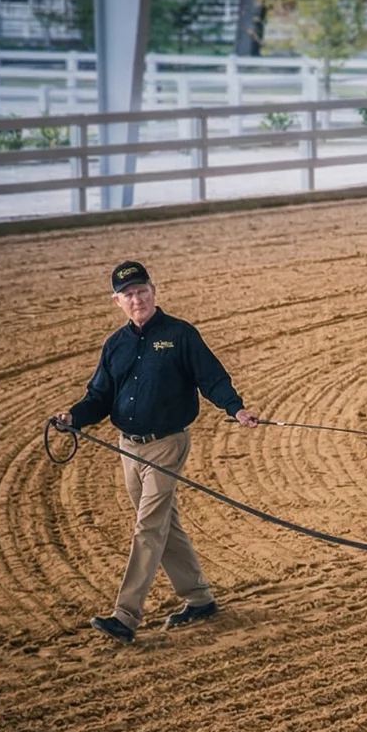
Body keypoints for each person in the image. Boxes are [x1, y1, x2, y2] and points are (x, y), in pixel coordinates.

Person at [50, 261, 261, 642]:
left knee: (148, 527)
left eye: (141, 290)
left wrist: (236, 408)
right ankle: (199, 598)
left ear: (154, 290)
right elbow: (99, 397)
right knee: (165, 524)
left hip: (167, 445)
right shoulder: (115, 345)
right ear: (117, 301)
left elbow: (211, 377)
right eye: (128, 294)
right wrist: (74, 418)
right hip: (129, 449)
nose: (137, 299)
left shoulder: (180, 335)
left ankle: (125, 616)